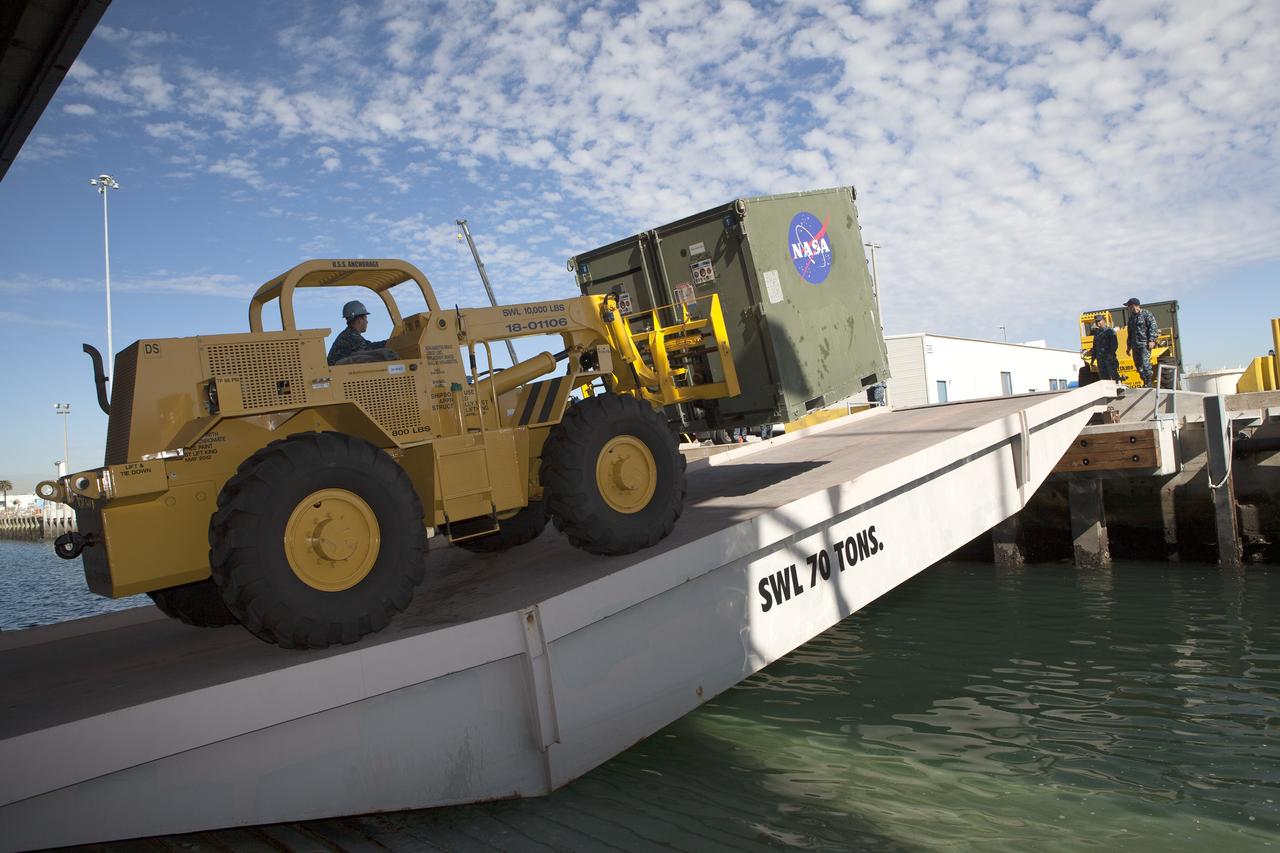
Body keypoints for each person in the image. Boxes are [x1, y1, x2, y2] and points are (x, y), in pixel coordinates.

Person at [327, 300, 389, 365]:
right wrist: (389, 343)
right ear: (359, 320)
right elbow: (369, 349)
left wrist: (387, 342)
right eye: (365, 318)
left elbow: (368, 345)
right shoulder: (350, 336)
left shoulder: (348, 334)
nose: (367, 322)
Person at [1124, 297, 1158, 387]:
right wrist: (1128, 347)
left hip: (1144, 344)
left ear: (1134, 306)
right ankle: (1145, 381)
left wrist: (1151, 340)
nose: (1129, 308)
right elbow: (1130, 333)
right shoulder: (1131, 318)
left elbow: (1153, 327)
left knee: (1145, 363)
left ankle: (1149, 382)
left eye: (1129, 306)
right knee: (1138, 366)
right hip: (1135, 345)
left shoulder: (1147, 314)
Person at [1090, 314, 1120, 381]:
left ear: (1103, 321)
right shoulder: (1097, 333)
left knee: (1114, 378)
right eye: (1096, 322)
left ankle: (1119, 390)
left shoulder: (1110, 331)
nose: (1097, 323)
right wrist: (1092, 360)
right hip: (1100, 361)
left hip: (1109, 359)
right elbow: (1095, 348)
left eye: (1099, 321)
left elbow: (1114, 344)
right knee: (1104, 380)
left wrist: (1111, 354)